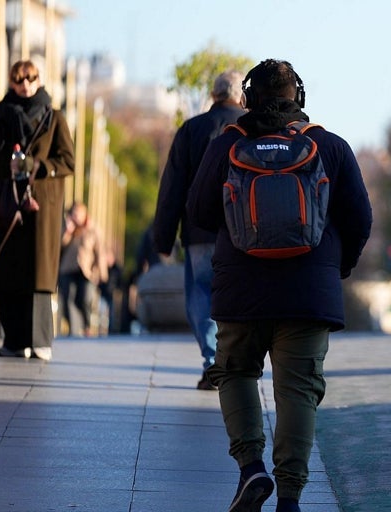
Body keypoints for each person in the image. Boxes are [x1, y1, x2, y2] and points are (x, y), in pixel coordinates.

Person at [187, 59, 372, 512]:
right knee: (298, 390)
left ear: (248, 99)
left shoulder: (227, 144)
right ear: (299, 97)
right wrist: (338, 266)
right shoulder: (329, 145)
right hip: (308, 293)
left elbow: (199, 211)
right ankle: (290, 495)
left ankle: (251, 468)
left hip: (241, 290)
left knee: (235, 372)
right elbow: (360, 218)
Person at [0, 60, 73, 360]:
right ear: (11, 82)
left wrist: (37, 166)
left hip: (40, 206)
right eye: (19, 79)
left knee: (38, 274)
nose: (25, 84)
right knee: (6, 271)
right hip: (5, 201)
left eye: (30, 78)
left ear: (39, 80)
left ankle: (39, 342)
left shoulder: (54, 117)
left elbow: (68, 161)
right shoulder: (0, 116)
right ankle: (14, 341)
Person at [153, 70, 246, 390]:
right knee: (238, 294)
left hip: (199, 232)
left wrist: (163, 237)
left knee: (202, 294)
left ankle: (212, 361)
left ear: (213, 94)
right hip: (244, 232)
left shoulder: (192, 129)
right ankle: (235, 360)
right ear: (241, 96)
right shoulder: (252, 129)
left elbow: (172, 188)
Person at [58, 202, 108, 336]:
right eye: (74, 213)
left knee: (85, 298)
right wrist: (68, 231)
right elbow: (59, 246)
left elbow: (100, 252)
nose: (76, 216)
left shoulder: (93, 229)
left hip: (87, 271)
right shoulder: (67, 228)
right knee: (68, 298)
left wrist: (101, 273)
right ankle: (73, 328)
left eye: (79, 213)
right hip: (68, 269)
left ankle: (86, 326)